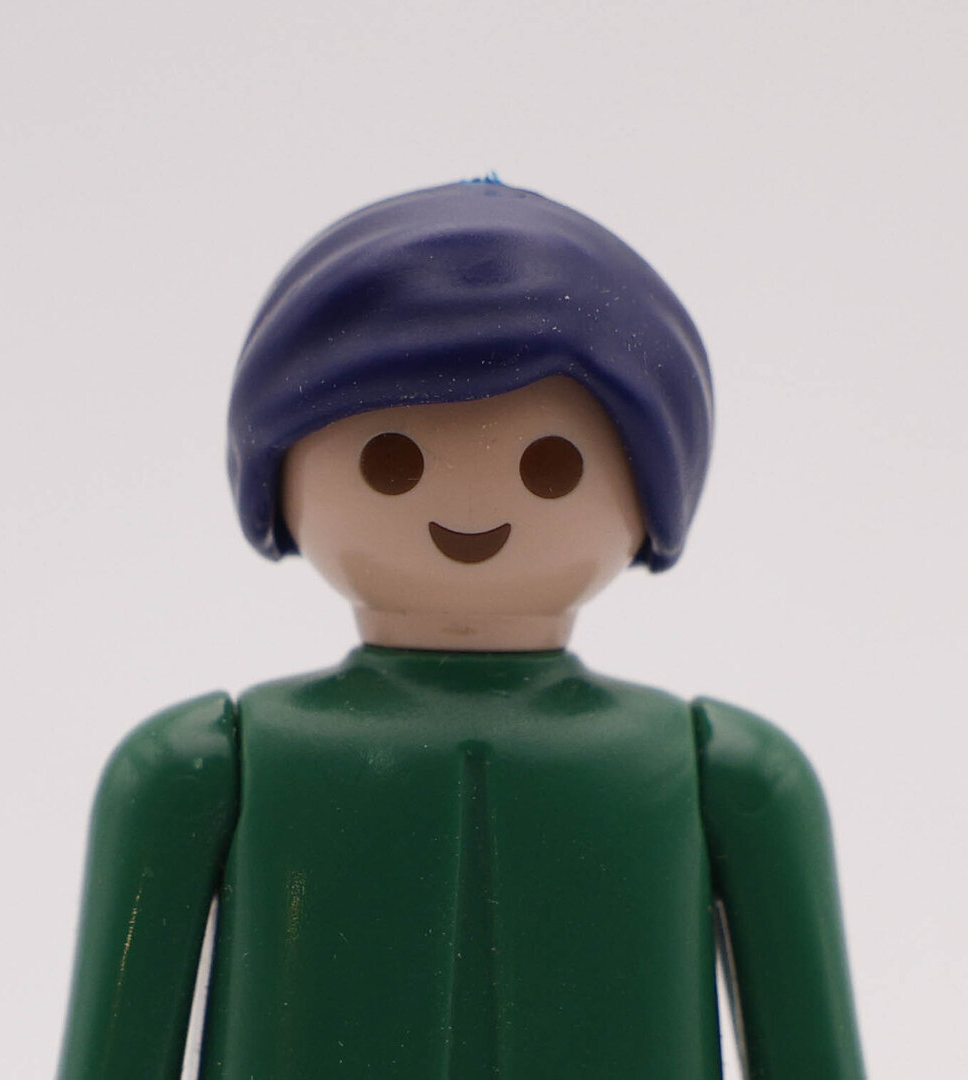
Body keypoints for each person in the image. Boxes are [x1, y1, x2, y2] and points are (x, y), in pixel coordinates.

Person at [58, 180, 864, 1079]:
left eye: (552, 464)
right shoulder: (203, 765)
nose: (472, 505)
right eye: (389, 460)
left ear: (654, 489)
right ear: (277, 473)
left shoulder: (729, 774)